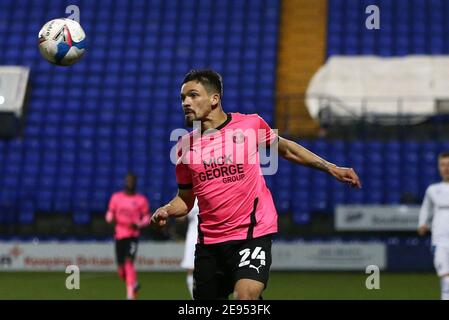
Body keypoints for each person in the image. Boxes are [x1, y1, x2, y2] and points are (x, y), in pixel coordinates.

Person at [151, 69, 361, 300]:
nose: (186, 102)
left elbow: (287, 149)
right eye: (182, 98)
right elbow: (185, 199)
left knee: (245, 297)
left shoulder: (249, 125)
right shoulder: (184, 147)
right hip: (210, 244)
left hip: (252, 233)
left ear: (214, 99)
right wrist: (167, 209)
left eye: (192, 95)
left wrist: (330, 167)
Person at [105, 173, 151, 300]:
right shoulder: (116, 197)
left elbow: (147, 217)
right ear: (125, 182)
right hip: (120, 235)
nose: (130, 183)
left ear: (135, 183)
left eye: (132, 181)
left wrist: (139, 224)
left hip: (133, 236)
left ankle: (130, 295)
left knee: (128, 261)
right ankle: (134, 284)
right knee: (121, 270)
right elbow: (110, 213)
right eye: (128, 181)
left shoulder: (141, 200)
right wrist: (110, 219)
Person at [418, 152, 449, 300]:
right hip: (440, 241)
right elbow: (426, 208)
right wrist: (422, 223)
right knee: (446, 279)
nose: (446, 168)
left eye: (448, 165)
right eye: (443, 165)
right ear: (438, 167)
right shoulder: (432, 190)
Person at [180, 198, 199, 299]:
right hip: (192, 234)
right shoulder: (189, 192)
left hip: (210, 232)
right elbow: (181, 217)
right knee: (191, 268)